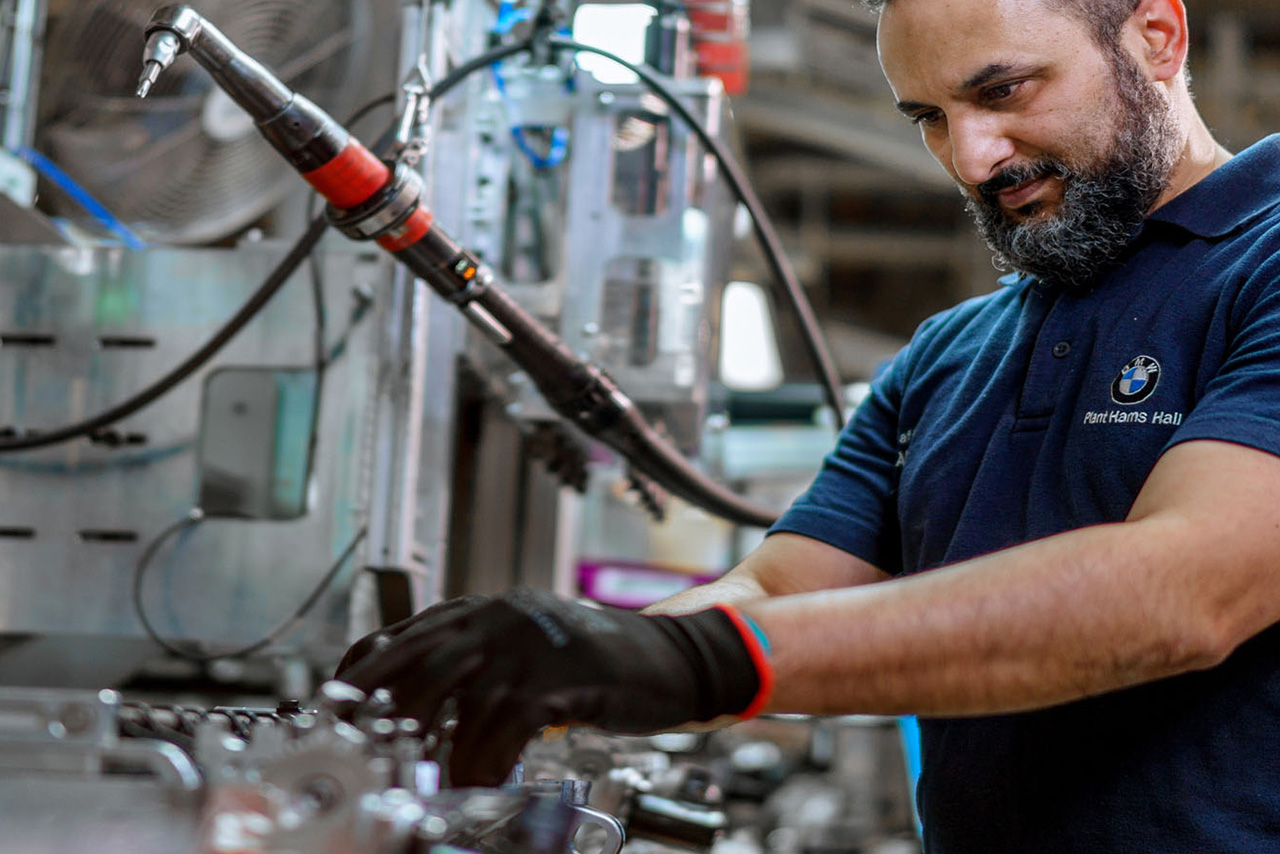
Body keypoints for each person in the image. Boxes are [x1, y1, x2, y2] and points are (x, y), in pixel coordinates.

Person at [336, 0, 1280, 850]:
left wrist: (691, 662)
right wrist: (569, 653)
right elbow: (779, 591)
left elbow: (1188, 587)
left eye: (1003, 90)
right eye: (931, 119)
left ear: (1156, 36)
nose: (973, 158)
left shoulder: (1263, 259)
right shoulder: (946, 355)